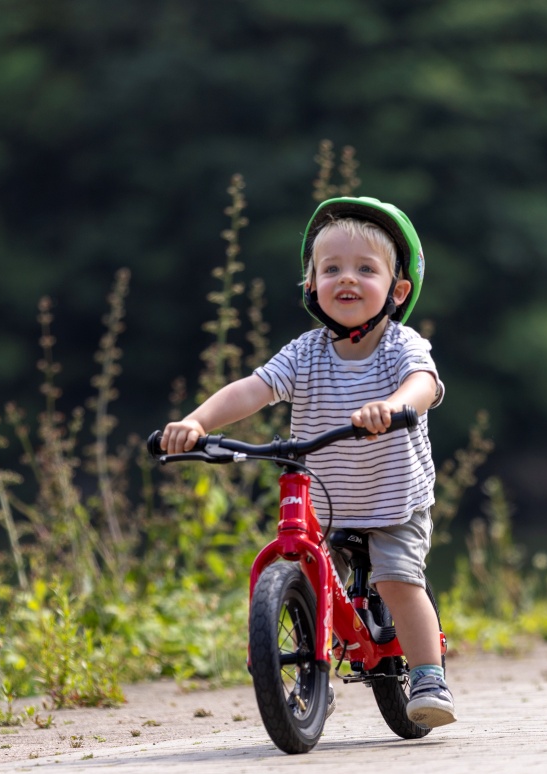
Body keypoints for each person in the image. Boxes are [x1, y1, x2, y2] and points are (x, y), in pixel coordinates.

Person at [159, 196, 455, 727]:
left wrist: (393, 407)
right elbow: (252, 390)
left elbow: (424, 386)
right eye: (331, 268)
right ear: (310, 287)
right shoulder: (306, 353)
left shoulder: (400, 346)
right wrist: (198, 423)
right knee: (307, 573)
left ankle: (429, 675)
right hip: (330, 500)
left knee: (395, 579)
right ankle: (312, 670)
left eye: (366, 269)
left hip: (392, 501)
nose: (347, 278)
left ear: (397, 290)